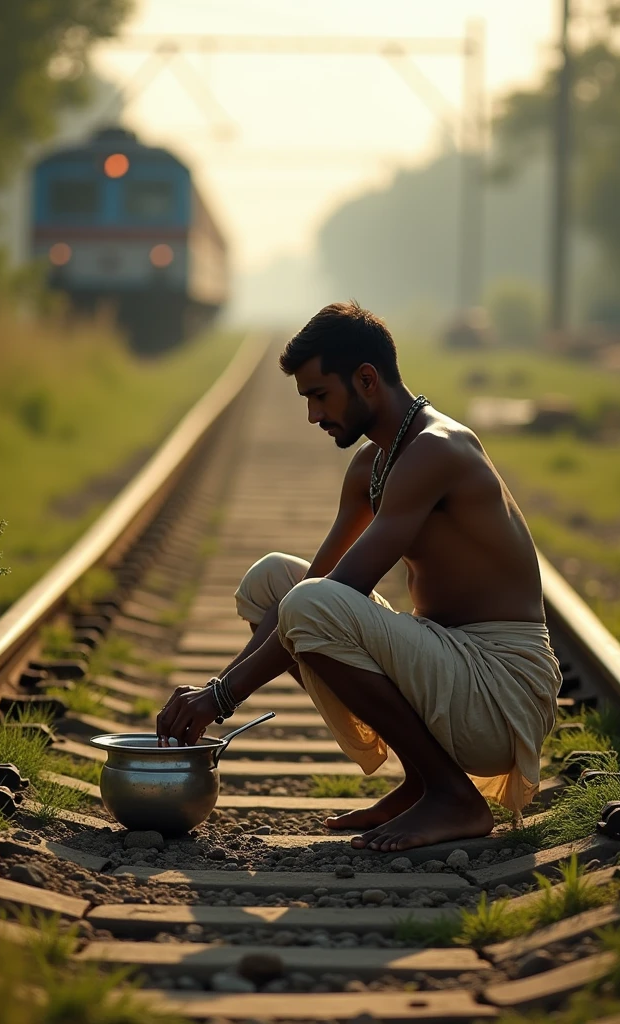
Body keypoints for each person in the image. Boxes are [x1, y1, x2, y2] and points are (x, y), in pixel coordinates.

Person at [157, 301, 562, 852]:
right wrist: (213, 691)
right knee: (272, 581)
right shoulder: (371, 466)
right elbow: (309, 585)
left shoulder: (437, 451)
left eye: (319, 395)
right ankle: (421, 782)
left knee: (309, 605)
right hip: (452, 668)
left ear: (366, 379)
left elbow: (333, 594)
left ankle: (453, 796)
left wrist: (220, 698)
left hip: (500, 689)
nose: (312, 415)